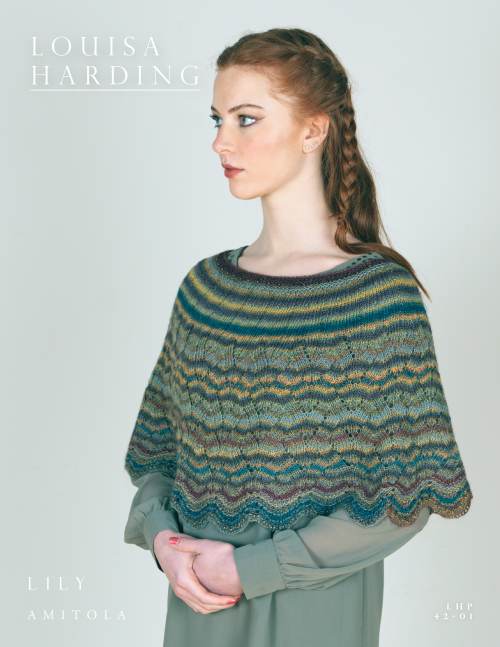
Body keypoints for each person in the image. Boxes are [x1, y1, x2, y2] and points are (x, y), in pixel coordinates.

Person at [123, 27, 473, 647]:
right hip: (200, 608)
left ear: (313, 131)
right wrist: (163, 542)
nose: (221, 140)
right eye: (218, 119)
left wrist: (252, 568)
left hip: (315, 614)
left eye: (246, 119)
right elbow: (161, 457)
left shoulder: (375, 298)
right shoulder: (206, 291)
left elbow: (407, 498)